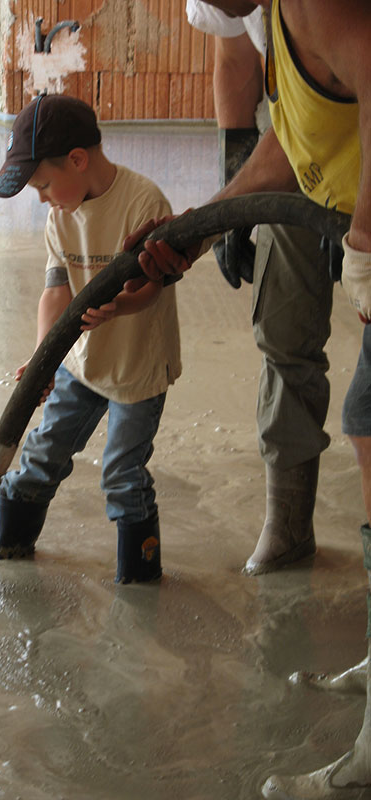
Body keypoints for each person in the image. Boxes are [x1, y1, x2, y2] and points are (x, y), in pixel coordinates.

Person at [126, 0, 371, 795]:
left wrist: (365, 245)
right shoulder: (269, 17)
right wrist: (204, 222)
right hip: (333, 201)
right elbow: (295, 136)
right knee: (352, 402)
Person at [0, 92, 182, 584]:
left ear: (77, 160)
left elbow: (152, 289)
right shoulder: (60, 217)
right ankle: (10, 557)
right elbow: (55, 292)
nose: (42, 198)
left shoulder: (144, 202)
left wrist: (121, 305)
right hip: (81, 363)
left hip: (137, 366)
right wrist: (42, 360)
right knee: (40, 454)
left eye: (44, 185)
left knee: (122, 472)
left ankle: (139, 584)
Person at [186, 0, 334, 579]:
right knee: (285, 322)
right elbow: (235, 58)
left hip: (356, 117)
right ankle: (289, 521)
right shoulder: (233, 8)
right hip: (293, 134)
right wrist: (237, 179)